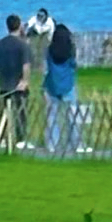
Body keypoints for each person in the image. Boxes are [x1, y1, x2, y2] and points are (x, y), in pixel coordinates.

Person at [0, 13, 32, 148]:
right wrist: (25, 81)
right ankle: (21, 140)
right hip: (18, 84)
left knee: (3, 113)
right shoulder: (23, 45)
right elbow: (26, 65)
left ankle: (1, 138)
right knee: (21, 113)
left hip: (4, 83)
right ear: (19, 26)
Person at [43, 23, 78, 153]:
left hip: (52, 85)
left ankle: (52, 143)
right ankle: (76, 143)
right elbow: (73, 65)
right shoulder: (71, 50)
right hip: (68, 85)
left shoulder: (49, 50)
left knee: (52, 116)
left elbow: (46, 67)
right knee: (73, 115)